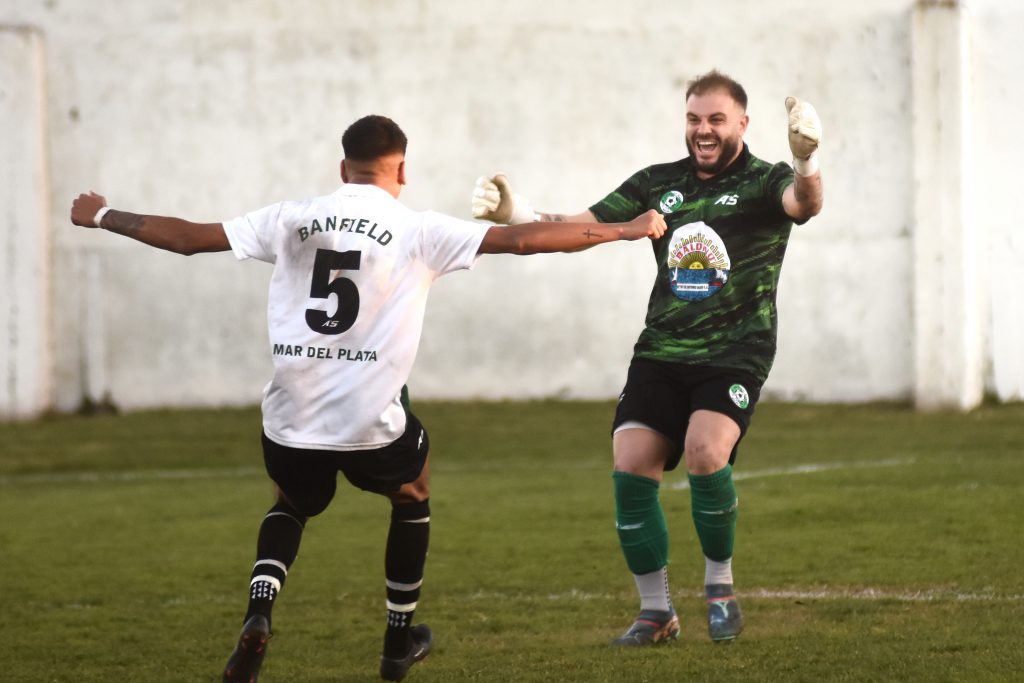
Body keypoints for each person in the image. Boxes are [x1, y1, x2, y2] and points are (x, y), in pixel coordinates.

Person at [70, 114, 666, 682]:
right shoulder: (419, 229)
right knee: (413, 489)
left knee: (291, 502)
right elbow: (525, 241)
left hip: (289, 415)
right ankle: (397, 642)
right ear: (400, 170)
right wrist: (623, 229)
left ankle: (260, 611)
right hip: (370, 423)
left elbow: (190, 239)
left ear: (342, 168)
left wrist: (102, 216)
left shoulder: (291, 217)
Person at [471, 69, 824, 646]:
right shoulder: (657, 182)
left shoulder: (767, 179)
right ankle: (656, 612)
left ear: (742, 123)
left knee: (706, 451)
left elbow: (803, 205)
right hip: (661, 350)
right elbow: (585, 224)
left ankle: (719, 588)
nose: (702, 131)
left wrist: (808, 162)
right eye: (693, 119)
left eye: (715, 119)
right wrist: (520, 214)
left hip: (736, 351)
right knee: (631, 461)